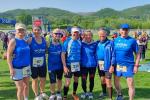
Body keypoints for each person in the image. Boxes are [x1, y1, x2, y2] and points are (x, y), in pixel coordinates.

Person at [114, 24, 140, 100]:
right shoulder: (115, 40)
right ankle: (119, 94)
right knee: (116, 82)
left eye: (126, 30)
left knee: (130, 83)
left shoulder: (132, 41)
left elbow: (138, 54)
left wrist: (136, 65)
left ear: (128, 31)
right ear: (120, 30)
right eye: (123, 29)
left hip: (128, 65)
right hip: (117, 65)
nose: (124, 31)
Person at [7, 23, 31, 100]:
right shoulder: (13, 41)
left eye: (22, 29)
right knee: (20, 88)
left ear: (25, 31)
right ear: (16, 31)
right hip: (17, 68)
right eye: (19, 29)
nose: (21, 31)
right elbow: (8, 55)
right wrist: (11, 68)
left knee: (26, 86)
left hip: (26, 67)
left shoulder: (25, 41)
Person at [27, 26, 48, 100]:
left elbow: (46, 50)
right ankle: (36, 95)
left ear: (41, 31)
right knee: (35, 80)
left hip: (43, 64)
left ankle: (42, 92)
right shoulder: (30, 40)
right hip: (33, 64)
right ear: (32, 31)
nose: (37, 31)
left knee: (43, 79)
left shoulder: (44, 40)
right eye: (35, 30)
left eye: (38, 30)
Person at [61, 27, 81, 100]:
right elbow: (63, 54)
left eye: (77, 32)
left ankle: (74, 93)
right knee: (67, 82)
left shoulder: (79, 41)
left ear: (79, 33)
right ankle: (65, 96)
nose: (75, 34)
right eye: (74, 32)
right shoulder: (67, 41)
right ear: (71, 33)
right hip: (69, 65)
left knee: (76, 80)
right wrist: (64, 66)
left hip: (77, 65)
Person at [96, 28, 115, 100]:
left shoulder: (110, 43)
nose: (101, 36)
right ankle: (104, 93)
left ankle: (110, 98)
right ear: (98, 35)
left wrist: (112, 65)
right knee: (102, 79)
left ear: (106, 34)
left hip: (108, 65)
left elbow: (113, 55)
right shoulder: (97, 43)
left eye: (103, 35)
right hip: (100, 64)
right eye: (100, 35)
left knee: (108, 81)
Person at [80, 30, 97, 99]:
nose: (88, 36)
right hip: (83, 66)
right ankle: (84, 92)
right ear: (84, 36)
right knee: (83, 81)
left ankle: (90, 92)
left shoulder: (95, 44)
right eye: (86, 35)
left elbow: (97, 54)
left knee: (91, 80)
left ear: (92, 36)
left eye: (89, 35)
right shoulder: (81, 44)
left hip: (92, 66)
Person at [48, 28, 63, 100]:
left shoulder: (62, 44)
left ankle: (59, 93)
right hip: (51, 66)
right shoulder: (48, 43)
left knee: (59, 80)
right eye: (56, 33)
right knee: (52, 81)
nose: (57, 35)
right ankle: (52, 94)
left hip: (60, 66)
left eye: (59, 34)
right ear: (52, 34)